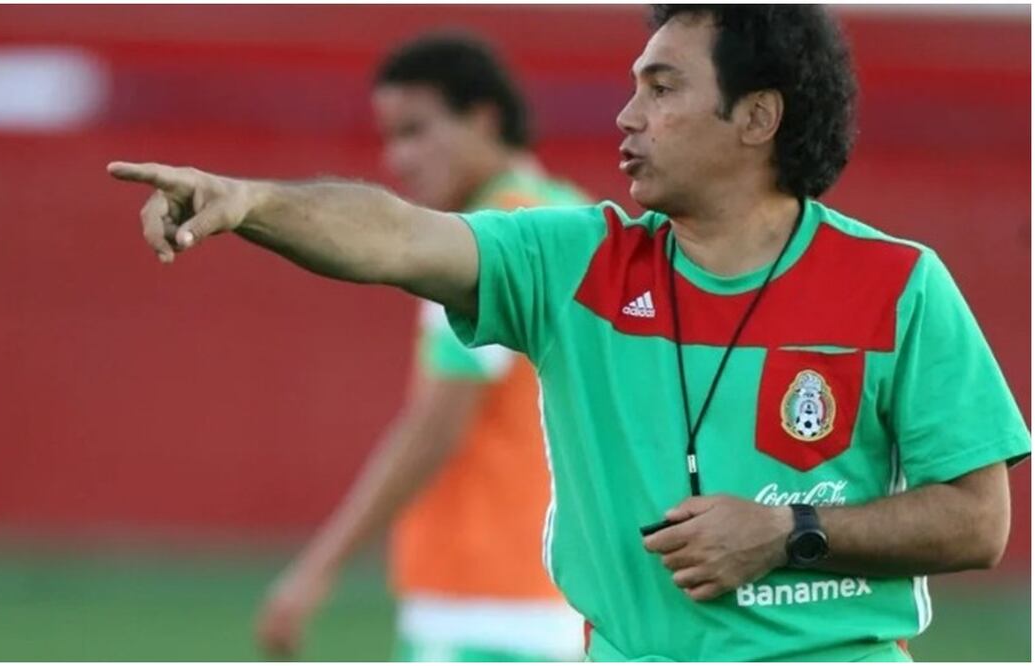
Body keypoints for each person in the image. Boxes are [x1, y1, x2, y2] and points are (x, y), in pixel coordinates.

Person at [110, 5, 1030, 661]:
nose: (627, 117)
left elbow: (977, 520)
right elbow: (395, 235)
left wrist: (788, 532)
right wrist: (252, 202)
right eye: (633, 88)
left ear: (756, 117)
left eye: (661, 88)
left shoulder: (897, 284)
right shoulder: (573, 262)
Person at [253, 34, 588, 661]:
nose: (397, 158)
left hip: (478, 593)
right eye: (390, 136)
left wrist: (318, 567)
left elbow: (436, 428)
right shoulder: (571, 216)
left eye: (415, 131)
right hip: (562, 595)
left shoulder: (478, 243)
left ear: (483, 118)